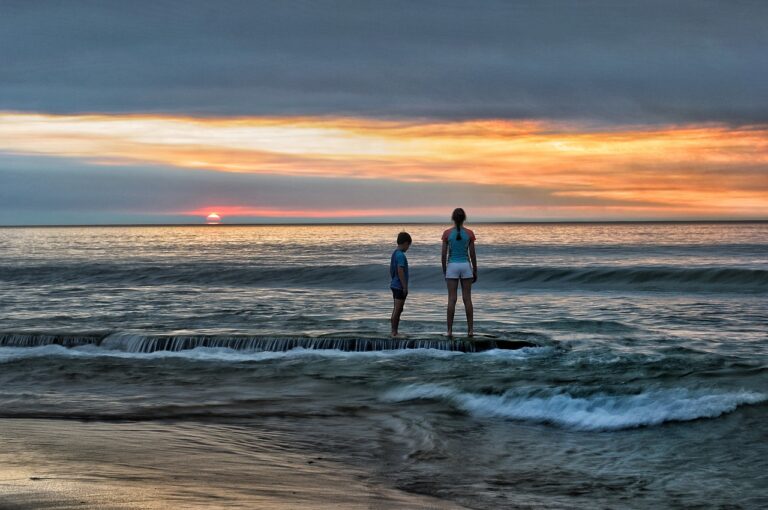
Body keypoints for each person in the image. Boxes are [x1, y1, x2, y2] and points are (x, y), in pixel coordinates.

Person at [441, 208, 477, 337]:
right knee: (467, 299)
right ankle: (470, 330)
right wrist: (475, 270)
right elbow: (472, 254)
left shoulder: (447, 233)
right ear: (464, 218)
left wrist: (445, 270)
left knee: (452, 299)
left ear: (453, 218)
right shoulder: (469, 233)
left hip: (452, 266)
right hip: (465, 266)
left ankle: (449, 331)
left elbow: (443, 255)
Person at [390, 231, 412, 337]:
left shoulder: (395, 253)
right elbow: (400, 270)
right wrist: (405, 287)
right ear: (405, 243)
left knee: (397, 309)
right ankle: (394, 332)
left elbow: (392, 270)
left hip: (394, 284)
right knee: (398, 309)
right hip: (399, 286)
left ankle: (394, 331)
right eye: (408, 245)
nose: (408, 248)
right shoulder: (400, 255)